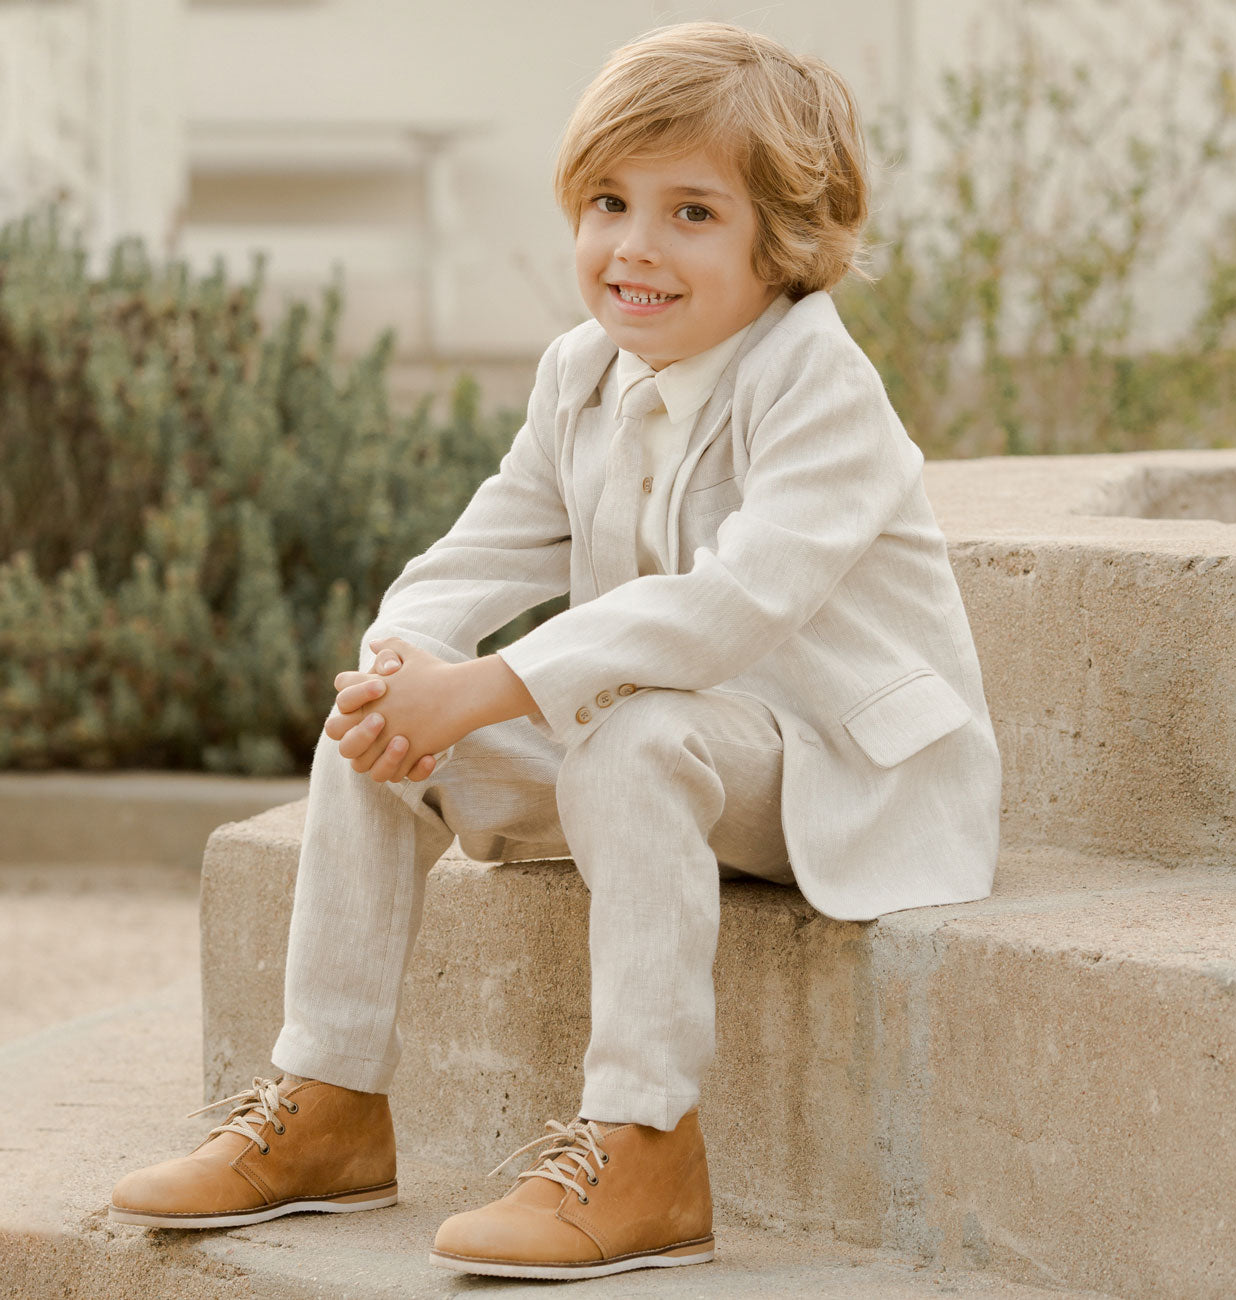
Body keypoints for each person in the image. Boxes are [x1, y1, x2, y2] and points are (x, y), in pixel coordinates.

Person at [107, 20, 1001, 1282]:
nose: (633, 244)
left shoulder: (820, 386)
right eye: (606, 201)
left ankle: (645, 1148)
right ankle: (327, 1103)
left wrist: (495, 685)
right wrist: (406, 668)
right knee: (377, 736)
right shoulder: (581, 371)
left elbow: (731, 606)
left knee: (633, 733)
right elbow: (475, 557)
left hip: (837, 768)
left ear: (783, 242)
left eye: (692, 212)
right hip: (664, 744)